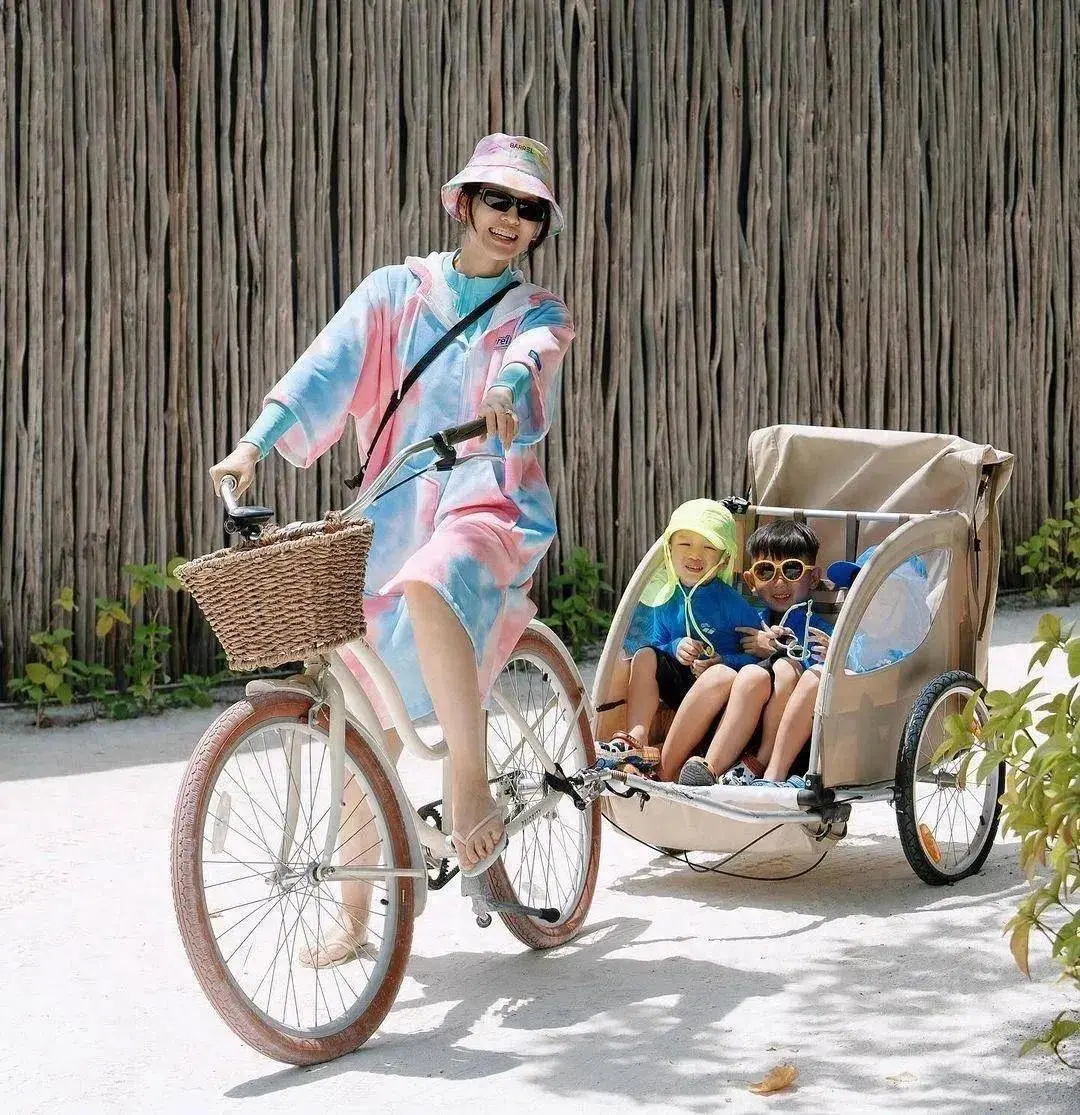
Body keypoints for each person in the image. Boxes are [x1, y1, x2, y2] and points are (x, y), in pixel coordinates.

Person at [208, 133, 574, 965]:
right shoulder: (394, 292)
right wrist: (254, 443)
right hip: (392, 506)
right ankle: (352, 915)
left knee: (433, 577)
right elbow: (323, 368)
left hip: (487, 497)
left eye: (528, 210)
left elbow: (529, 363)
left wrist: (506, 389)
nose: (511, 219)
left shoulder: (539, 311)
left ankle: (468, 778)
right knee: (356, 715)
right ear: (463, 204)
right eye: (497, 199)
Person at [605, 499, 762, 772]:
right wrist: (675, 646)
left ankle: (668, 767)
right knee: (645, 655)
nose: (695, 555)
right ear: (669, 548)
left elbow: (758, 659)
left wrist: (725, 660)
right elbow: (658, 642)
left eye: (708, 547)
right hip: (683, 687)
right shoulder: (666, 596)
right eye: (685, 544)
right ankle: (636, 738)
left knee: (720, 675)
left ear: (724, 559)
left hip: (721, 701)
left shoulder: (732, 604)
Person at [672, 520, 832, 787]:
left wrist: (779, 650)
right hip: (743, 719)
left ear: (813, 577)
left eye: (792, 569)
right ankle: (709, 769)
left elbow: (820, 675)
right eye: (766, 571)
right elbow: (734, 658)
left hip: (792, 734)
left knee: (784, 668)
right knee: (746, 675)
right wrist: (722, 660)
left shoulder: (818, 629)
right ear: (751, 581)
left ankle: (760, 765)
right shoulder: (751, 620)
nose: (779, 581)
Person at [756, 548, 933, 787]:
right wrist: (829, 654)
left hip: (877, 731)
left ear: (907, 602)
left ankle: (793, 776)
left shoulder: (912, 648)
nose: (869, 606)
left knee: (819, 679)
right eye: (862, 596)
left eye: (883, 597)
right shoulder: (856, 642)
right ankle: (773, 776)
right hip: (843, 719)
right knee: (815, 675)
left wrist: (842, 663)